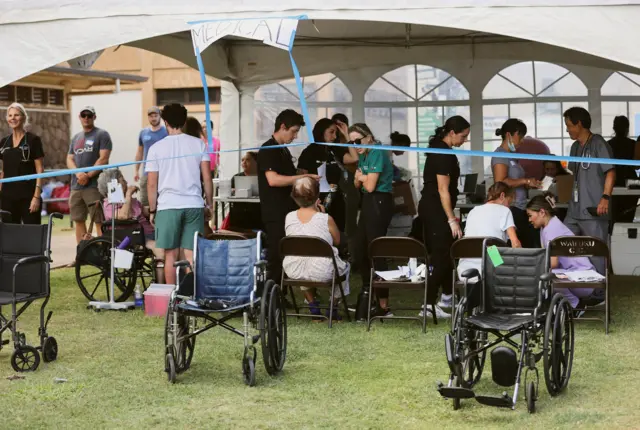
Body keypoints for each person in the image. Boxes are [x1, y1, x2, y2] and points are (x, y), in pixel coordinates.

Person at [145, 103, 213, 285]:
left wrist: (152, 210)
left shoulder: (155, 149)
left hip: (168, 206)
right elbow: (207, 178)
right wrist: (210, 204)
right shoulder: (199, 144)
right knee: (191, 253)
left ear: (165, 121)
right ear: (184, 121)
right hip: (193, 204)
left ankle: (171, 300)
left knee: (170, 255)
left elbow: (152, 184)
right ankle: (191, 297)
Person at [257, 109, 319, 287]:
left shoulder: (282, 150)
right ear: (282, 127)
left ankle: (280, 292)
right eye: (293, 131)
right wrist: (300, 178)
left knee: (286, 254)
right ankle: (270, 294)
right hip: (275, 212)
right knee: (276, 255)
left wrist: (300, 173)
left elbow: (287, 176)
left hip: (288, 210)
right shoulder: (268, 149)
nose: (295, 136)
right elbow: (273, 179)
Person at [418, 116, 470, 319]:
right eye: (463, 136)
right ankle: (428, 304)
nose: (464, 140)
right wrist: (451, 219)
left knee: (446, 253)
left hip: (434, 208)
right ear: (451, 133)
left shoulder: (439, 148)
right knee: (440, 257)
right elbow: (443, 189)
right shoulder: (443, 153)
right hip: (435, 209)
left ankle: (447, 297)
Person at [283, 177, 350, 320]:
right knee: (345, 267)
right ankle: (333, 306)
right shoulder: (325, 218)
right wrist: (322, 213)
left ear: (295, 197)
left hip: (294, 270)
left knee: (301, 257)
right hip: (322, 270)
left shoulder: (289, 217)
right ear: (317, 196)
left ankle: (313, 306)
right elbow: (337, 240)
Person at [526, 193, 604, 311]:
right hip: (577, 275)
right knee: (544, 273)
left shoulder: (551, 229)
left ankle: (575, 306)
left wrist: (528, 266)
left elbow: (552, 263)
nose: (529, 219)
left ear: (542, 212)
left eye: (530, 215)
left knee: (546, 275)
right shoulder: (548, 226)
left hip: (582, 279)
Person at [564, 107, 615, 275]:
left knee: (596, 252)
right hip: (575, 209)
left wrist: (605, 197)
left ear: (579, 124)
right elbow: (574, 174)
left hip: (594, 207)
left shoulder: (598, 143)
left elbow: (611, 171)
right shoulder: (574, 147)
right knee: (563, 243)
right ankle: (570, 284)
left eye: (569, 125)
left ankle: (600, 294)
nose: (567, 129)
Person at [351, 123, 395, 318]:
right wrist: (362, 178)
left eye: (358, 141)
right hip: (368, 201)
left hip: (379, 201)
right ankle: (368, 293)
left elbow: (369, 186)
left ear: (368, 137)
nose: (355, 145)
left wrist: (362, 178)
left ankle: (384, 305)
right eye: (351, 142)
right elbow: (357, 182)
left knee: (376, 250)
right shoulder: (363, 154)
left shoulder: (377, 151)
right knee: (360, 249)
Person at [456, 182, 521, 306]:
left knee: (489, 247)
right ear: (502, 196)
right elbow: (515, 242)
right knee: (496, 252)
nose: (510, 205)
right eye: (510, 200)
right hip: (492, 258)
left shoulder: (473, 211)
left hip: (466, 263)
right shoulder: (504, 210)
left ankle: (474, 304)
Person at [97, 168, 165, 283]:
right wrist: (128, 194)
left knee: (173, 246)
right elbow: (123, 216)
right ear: (115, 185)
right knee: (161, 251)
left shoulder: (132, 201)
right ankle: (162, 288)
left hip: (149, 232)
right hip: (133, 238)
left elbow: (145, 211)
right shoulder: (110, 204)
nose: (127, 182)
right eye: (123, 180)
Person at [297, 118, 358, 231]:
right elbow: (300, 180)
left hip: (337, 203)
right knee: (319, 234)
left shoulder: (334, 150)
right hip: (316, 203)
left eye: (336, 133)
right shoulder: (309, 152)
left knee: (337, 235)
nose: (334, 136)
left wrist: (346, 135)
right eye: (331, 132)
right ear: (321, 131)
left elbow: (354, 158)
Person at [491, 118, 542, 248]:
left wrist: (527, 183)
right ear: (509, 134)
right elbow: (500, 182)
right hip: (512, 209)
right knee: (517, 244)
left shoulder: (511, 156)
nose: (522, 140)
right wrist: (525, 180)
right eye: (520, 136)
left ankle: (512, 266)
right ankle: (510, 266)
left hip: (518, 207)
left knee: (524, 243)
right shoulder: (500, 155)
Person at [67, 106, 112, 245]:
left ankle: (104, 253)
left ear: (94, 117)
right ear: (79, 117)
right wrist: (78, 173)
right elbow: (69, 158)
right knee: (78, 220)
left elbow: (104, 158)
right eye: (83, 115)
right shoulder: (76, 137)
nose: (86, 118)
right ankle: (83, 254)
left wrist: (88, 175)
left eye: (89, 115)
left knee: (99, 220)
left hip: (94, 186)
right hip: (76, 186)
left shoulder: (102, 134)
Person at [0, 103, 44, 224]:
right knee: (9, 235)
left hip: (28, 196)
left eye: (16, 115)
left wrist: (36, 197)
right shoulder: (4, 142)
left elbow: (40, 170)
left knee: (32, 233)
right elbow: (4, 171)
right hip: (7, 197)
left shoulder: (33, 140)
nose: (12, 118)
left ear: (23, 117)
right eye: (10, 115)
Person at [134, 107, 167, 207]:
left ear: (160, 116)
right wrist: (136, 170)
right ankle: (148, 222)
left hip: (163, 172)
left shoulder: (166, 132)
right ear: (148, 118)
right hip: (146, 172)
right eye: (151, 116)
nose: (153, 118)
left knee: (162, 200)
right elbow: (140, 152)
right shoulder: (143, 133)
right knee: (145, 202)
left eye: (156, 116)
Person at [608, 116, 638, 223]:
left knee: (615, 216)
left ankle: (614, 236)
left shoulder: (608, 145)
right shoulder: (632, 144)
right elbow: (636, 165)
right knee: (628, 217)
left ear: (614, 128)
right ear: (627, 128)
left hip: (613, 180)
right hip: (630, 180)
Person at [228, 152, 262, 231]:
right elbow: (228, 192)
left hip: (258, 217)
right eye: (242, 160)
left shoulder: (264, 177)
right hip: (238, 217)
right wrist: (232, 191)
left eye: (248, 160)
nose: (244, 162)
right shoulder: (236, 177)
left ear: (256, 162)